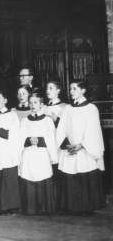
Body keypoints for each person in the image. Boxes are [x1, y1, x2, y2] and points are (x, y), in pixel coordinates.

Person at [56, 80, 105, 214]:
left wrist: (81, 145)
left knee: (84, 176)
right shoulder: (67, 109)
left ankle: (86, 207)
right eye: (70, 89)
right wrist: (66, 144)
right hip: (70, 147)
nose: (71, 92)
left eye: (74, 89)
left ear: (83, 90)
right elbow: (62, 129)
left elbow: (93, 130)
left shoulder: (91, 108)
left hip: (85, 149)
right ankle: (72, 207)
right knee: (70, 176)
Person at [18, 92, 57, 215]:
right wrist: (28, 140)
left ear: (41, 104)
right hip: (29, 153)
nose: (32, 105)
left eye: (35, 102)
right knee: (28, 174)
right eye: (30, 103)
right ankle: (30, 208)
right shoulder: (24, 121)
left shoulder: (47, 120)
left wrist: (40, 140)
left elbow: (52, 138)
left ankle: (44, 208)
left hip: (42, 153)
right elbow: (19, 139)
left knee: (42, 174)